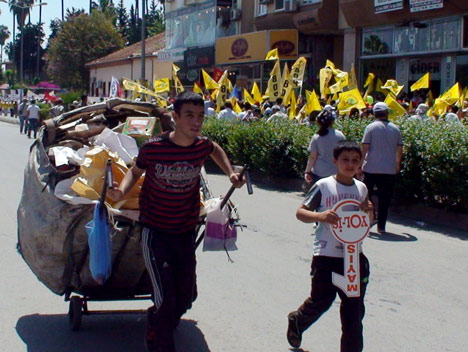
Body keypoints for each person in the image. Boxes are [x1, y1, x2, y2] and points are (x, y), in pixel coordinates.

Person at [107, 91, 244, 352]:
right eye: (190, 115)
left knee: (185, 298)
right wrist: (120, 193)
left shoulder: (201, 145)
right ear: (175, 117)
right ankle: (160, 341)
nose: (196, 122)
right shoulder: (154, 148)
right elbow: (135, 171)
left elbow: (215, 149)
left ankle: (155, 321)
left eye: (200, 116)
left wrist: (230, 173)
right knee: (167, 300)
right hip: (156, 233)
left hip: (184, 231)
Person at [287, 140, 373, 352]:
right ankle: (298, 320)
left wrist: (369, 210)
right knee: (321, 301)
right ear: (335, 161)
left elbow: (366, 223)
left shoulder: (362, 188)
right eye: (345, 159)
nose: (350, 164)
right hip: (326, 256)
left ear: (361, 162)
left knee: (353, 314)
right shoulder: (324, 186)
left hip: (353, 258)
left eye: (355, 160)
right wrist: (321, 216)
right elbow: (301, 212)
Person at [361, 102, 403, 234]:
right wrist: (397, 164)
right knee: (385, 199)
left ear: (374, 114)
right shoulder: (395, 129)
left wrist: (359, 165)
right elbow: (399, 149)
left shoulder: (370, 128)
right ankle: (381, 227)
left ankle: (367, 220)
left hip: (370, 168)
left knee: (366, 196)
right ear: (387, 113)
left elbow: (364, 148)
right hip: (389, 170)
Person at [304, 109, 345, 185]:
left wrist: (307, 171)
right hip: (335, 172)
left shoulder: (316, 137)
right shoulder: (340, 135)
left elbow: (313, 157)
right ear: (332, 122)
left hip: (319, 173)